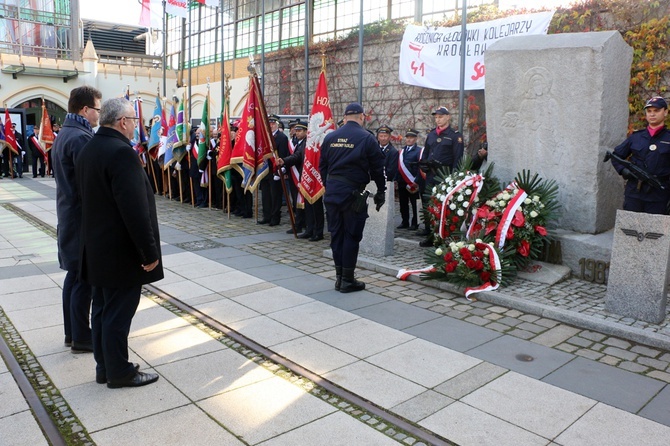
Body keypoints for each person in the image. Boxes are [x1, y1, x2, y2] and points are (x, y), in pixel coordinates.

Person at [76, 97, 163, 388]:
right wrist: (148, 251)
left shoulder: (90, 148)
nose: (134, 127)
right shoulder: (121, 152)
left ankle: (105, 366)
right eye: (133, 121)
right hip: (121, 251)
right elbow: (134, 209)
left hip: (97, 247)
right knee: (118, 313)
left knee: (102, 309)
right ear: (123, 122)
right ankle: (119, 372)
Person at [51, 85, 102, 352]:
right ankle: (82, 336)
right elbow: (90, 182)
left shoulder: (66, 133)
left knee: (73, 277)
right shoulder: (81, 138)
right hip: (81, 218)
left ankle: (73, 333)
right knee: (84, 279)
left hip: (69, 215)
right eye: (97, 109)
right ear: (85, 109)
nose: (98, 114)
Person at [320, 102, 386, 293]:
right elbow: (377, 168)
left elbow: (322, 165)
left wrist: (330, 186)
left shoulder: (330, 137)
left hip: (332, 192)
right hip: (352, 194)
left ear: (345, 116)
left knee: (336, 234)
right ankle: (347, 280)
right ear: (362, 117)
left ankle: (339, 277)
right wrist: (381, 191)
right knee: (351, 235)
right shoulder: (366, 138)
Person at [611, 96, 670, 214]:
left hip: (659, 195)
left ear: (665, 112)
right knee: (630, 229)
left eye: (656, 110)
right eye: (649, 111)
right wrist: (623, 171)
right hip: (634, 193)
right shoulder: (636, 137)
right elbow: (616, 156)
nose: (652, 114)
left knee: (655, 231)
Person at [418, 106, 464, 246]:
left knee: (443, 207)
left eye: (441, 117)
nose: (438, 119)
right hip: (431, 175)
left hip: (445, 177)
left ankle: (443, 236)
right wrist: (423, 165)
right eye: (436, 117)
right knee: (428, 204)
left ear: (448, 117)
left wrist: (453, 178)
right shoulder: (431, 134)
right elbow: (425, 153)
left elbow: (458, 159)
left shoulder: (455, 135)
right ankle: (430, 234)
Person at [259, 114, 289, 226]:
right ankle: (266, 216)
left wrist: (280, 170)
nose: (271, 125)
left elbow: (283, 154)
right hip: (265, 169)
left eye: (272, 123)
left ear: (277, 124)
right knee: (265, 195)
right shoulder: (265, 137)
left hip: (275, 170)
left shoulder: (282, 137)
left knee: (275, 196)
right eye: (269, 123)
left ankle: (275, 218)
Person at [397, 128, 422, 230]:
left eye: (411, 138)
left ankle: (415, 222)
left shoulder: (419, 151)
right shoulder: (402, 151)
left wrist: (416, 181)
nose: (409, 140)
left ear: (415, 139)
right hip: (402, 181)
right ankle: (405, 221)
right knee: (403, 203)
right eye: (407, 137)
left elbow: (420, 167)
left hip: (413, 182)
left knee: (414, 204)